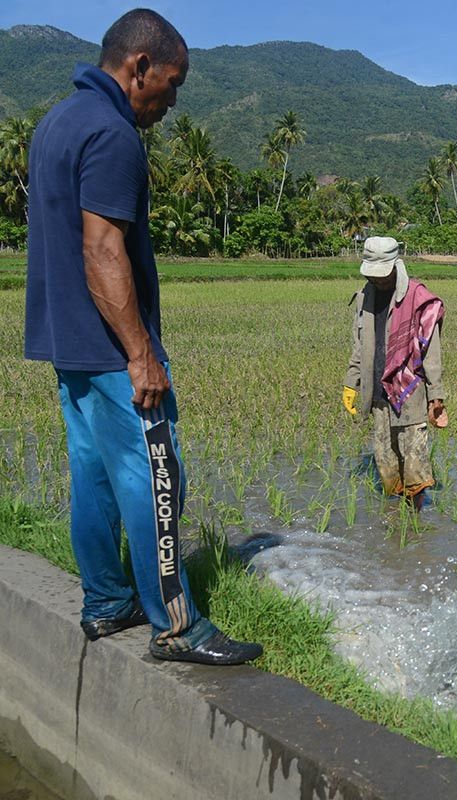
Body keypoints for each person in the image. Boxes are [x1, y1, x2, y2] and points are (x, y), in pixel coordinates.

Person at [23, 9, 261, 665]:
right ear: (139, 68)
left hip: (68, 343)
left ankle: (106, 602)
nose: (172, 101)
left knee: (94, 477)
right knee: (157, 479)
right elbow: (103, 252)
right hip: (109, 349)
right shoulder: (112, 132)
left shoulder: (56, 123)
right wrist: (140, 353)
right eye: (173, 85)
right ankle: (176, 624)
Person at [343, 236, 447, 509]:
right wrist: (351, 383)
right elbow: (359, 345)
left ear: (395, 265)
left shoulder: (418, 299)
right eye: (372, 275)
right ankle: (395, 524)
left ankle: (415, 524)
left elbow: (431, 353)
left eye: (382, 275)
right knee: (386, 461)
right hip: (377, 392)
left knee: (414, 463)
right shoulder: (364, 297)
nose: (378, 280)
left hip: (410, 392)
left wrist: (436, 395)